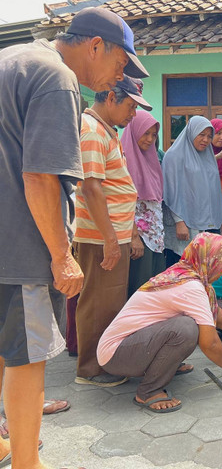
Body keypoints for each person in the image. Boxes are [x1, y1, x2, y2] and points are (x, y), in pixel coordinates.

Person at [0, 6, 147, 468]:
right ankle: (27, 460)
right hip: (18, 246)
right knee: (26, 358)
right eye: (121, 65)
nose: (117, 78)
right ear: (95, 46)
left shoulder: (15, 58)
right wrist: (63, 257)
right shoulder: (57, 78)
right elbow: (42, 177)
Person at [97, 233, 222, 413]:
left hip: (125, 349)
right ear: (210, 262)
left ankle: (165, 365)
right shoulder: (191, 286)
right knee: (186, 329)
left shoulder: (185, 274)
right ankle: (149, 391)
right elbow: (209, 343)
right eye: (221, 266)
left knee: (189, 324)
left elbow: (213, 312)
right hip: (116, 356)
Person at [74, 76, 152, 387]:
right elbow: (92, 187)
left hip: (111, 234)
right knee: (97, 302)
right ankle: (91, 368)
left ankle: (104, 360)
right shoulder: (92, 131)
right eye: (131, 106)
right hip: (99, 236)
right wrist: (109, 239)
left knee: (109, 303)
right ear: (110, 98)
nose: (133, 114)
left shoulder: (106, 131)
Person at [163, 116, 222, 267]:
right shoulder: (174, 156)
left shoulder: (207, 156)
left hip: (205, 224)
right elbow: (171, 190)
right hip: (184, 223)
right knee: (181, 268)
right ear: (191, 132)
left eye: (209, 136)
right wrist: (179, 221)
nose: (205, 140)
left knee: (203, 269)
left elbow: (214, 189)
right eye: (201, 134)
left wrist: (221, 218)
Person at [122, 109, 165, 297]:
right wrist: (134, 237)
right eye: (145, 133)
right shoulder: (124, 160)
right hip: (139, 238)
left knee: (154, 288)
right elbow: (122, 201)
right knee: (139, 290)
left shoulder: (152, 160)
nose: (149, 139)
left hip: (155, 237)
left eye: (153, 135)